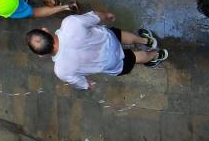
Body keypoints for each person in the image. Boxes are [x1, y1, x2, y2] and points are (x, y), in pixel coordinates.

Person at [25, 10, 168, 90]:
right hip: (109, 39)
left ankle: (156, 55)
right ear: (45, 30)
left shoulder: (61, 71)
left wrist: (89, 85)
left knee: (136, 57)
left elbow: (82, 83)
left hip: (113, 63)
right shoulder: (70, 23)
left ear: (41, 56)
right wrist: (106, 15)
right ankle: (146, 41)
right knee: (123, 36)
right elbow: (96, 16)